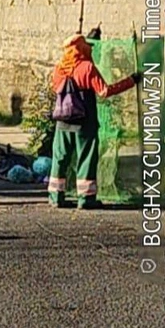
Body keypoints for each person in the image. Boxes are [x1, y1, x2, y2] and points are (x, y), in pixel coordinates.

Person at [47, 33, 138, 209]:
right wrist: (131, 81)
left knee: (60, 157)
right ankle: (86, 199)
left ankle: (55, 197)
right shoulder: (87, 67)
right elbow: (104, 91)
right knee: (86, 158)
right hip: (84, 122)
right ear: (81, 49)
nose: (90, 49)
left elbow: (55, 88)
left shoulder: (59, 68)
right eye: (87, 46)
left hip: (62, 122)